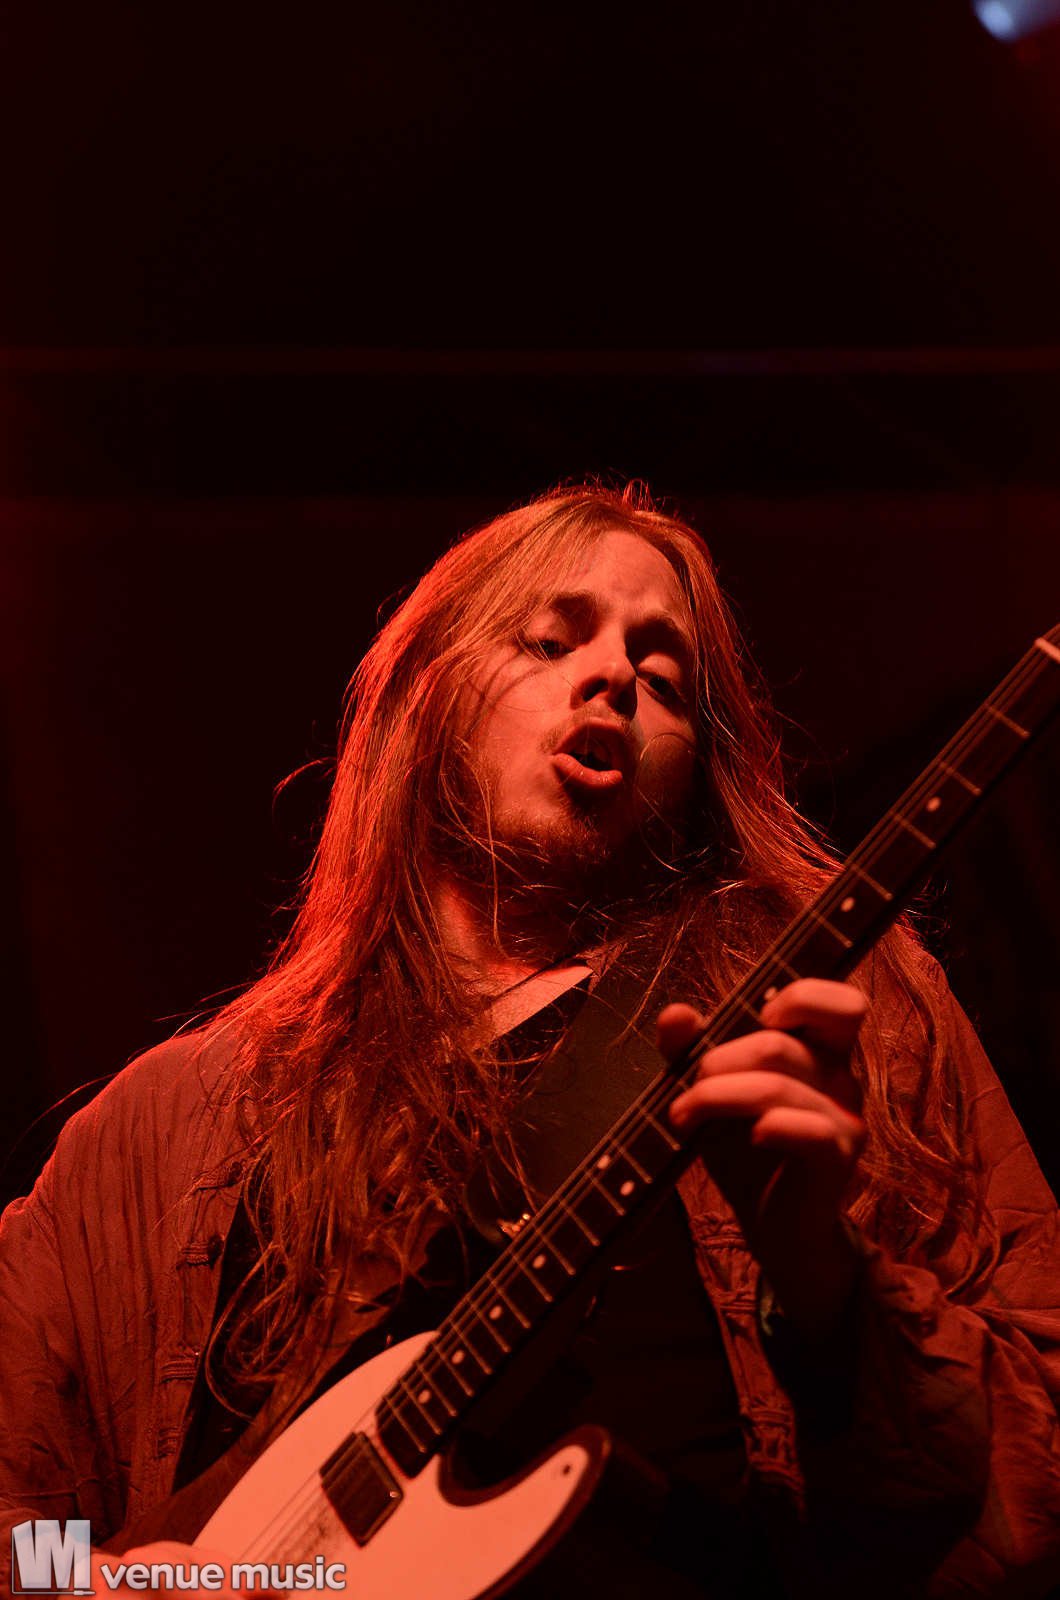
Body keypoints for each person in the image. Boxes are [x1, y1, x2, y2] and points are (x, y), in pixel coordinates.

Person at [1, 483, 1059, 1599]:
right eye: (550, 641)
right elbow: (20, 1538)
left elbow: (1040, 1463)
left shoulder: (821, 1002)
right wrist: (99, 1584)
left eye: (666, 680)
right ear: (426, 695)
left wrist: (828, 1286)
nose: (614, 677)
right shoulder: (163, 1128)